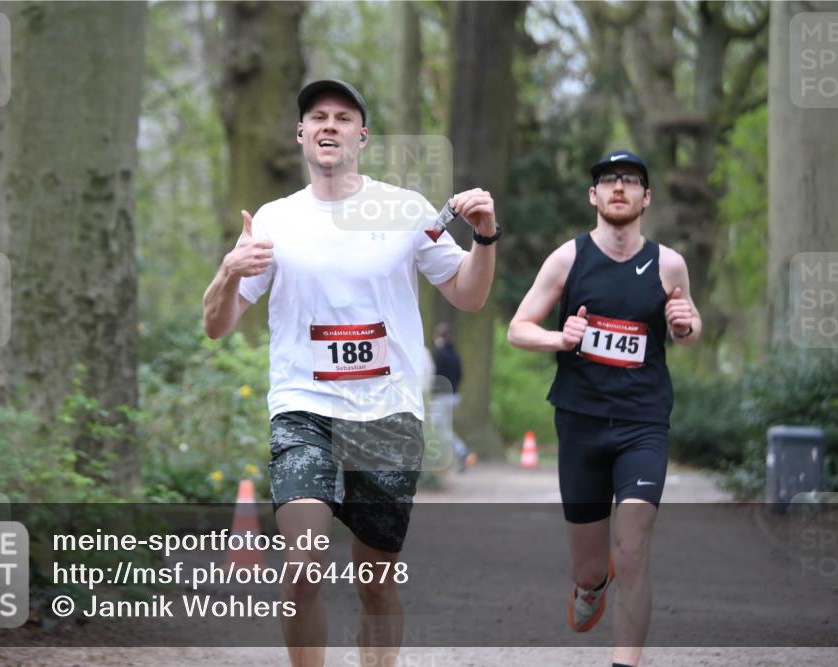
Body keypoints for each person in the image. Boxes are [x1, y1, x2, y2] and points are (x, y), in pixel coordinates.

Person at [202, 79, 500, 667]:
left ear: (362, 136)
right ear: (301, 134)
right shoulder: (274, 219)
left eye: (343, 117)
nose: (329, 125)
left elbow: (468, 295)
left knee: (375, 582)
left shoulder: (406, 210)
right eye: (318, 116)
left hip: (388, 414)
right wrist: (229, 270)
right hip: (304, 410)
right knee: (302, 567)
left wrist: (485, 236)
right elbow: (217, 324)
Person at [507, 150, 701, 667]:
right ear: (593, 195)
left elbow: (689, 326)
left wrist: (684, 325)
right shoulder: (567, 259)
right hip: (581, 422)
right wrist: (559, 338)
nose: (619, 187)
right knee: (591, 568)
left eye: (631, 180)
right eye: (609, 180)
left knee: (633, 550)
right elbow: (518, 328)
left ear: (646, 197)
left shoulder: (668, 264)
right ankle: (591, 586)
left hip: (643, 423)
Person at [429, 323, 471, 471]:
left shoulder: (439, 354)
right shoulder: (455, 354)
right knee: (444, 427)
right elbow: (460, 375)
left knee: (439, 428)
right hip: (454, 396)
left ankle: (460, 451)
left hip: (441, 397)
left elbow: (435, 375)